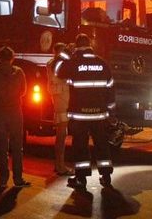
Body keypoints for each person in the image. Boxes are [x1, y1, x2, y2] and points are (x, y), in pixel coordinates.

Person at [56, 33, 115, 190]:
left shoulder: (73, 63)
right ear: (90, 45)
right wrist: (111, 112)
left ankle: (81, 179)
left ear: (77, 46)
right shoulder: (103, 64)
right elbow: (110, 89)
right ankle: (106, 176)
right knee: (102, 144)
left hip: (80, 115)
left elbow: (57, 71)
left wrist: (65, 53)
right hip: (100, 115)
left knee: (80, 146)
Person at [0, 46, 31, 188]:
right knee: (17, 146)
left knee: (2, 147)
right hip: (15, 112)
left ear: (0, 57)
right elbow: (24, 91)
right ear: (12, 58)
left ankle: (2, 179)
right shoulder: (18, 72)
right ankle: (18, 179)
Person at [46, 42, 74, 176]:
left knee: (62, 134)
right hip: (61, 99)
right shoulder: (55, 63)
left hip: (61, 98)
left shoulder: (54, 62)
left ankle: (59, 164)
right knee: (61, 135)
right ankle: (60, 165)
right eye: (63, 51)